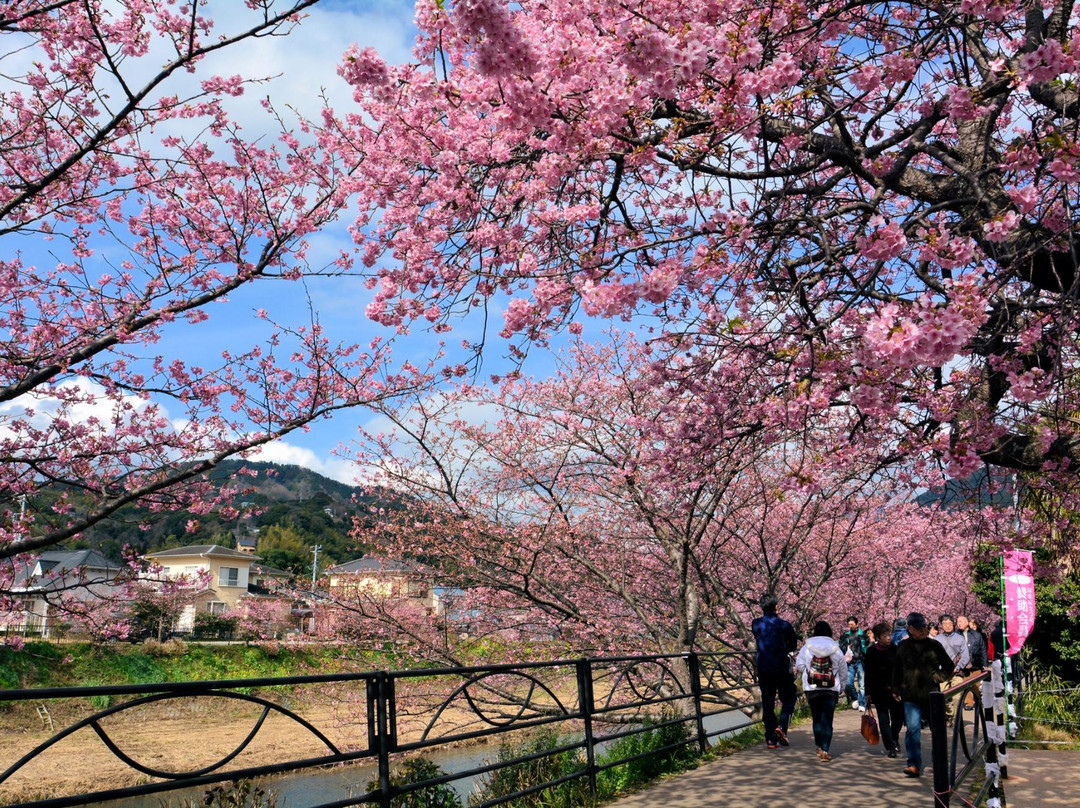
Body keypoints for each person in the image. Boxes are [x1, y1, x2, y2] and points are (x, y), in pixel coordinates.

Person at [893, 611, 955, 777]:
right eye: (919, 628)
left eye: (925, 627)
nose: (923, 630)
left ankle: (939, 761)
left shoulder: (934, 645)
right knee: (913, 729)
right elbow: (897, 668)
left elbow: (949, 666)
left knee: (937, 729)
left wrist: (937, 677)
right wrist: (896, 688)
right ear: (910, 629)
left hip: (931, 694)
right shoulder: (903, 646)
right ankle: (913, 764)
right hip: (910, 694)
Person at [796, 620, 848, 762]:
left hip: (812, 688)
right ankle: (825, 750)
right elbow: (843, 669)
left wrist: (809, 671)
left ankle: (819, 745)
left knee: (817, 718)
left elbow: (799, 665)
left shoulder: (807, 647)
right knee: (827, 719)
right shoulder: (836, 648)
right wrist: (842, 686)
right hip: (831, 688)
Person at [752, 592, 798, 750]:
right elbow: (793, 644)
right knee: (789, 697)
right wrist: (783, 648)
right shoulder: (785, 625)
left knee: (768, 702)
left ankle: (771, 739)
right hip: (781, 667)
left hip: (764, 667)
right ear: (776, 606)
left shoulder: (756, 624)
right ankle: (782, 726)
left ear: (761, 607)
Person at [864, 620, 904, 758]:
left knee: (898, 718)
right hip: (878, 690)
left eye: (889, 635)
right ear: (878, 637)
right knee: (883, 720)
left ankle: (894, 737)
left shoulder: (895, 649)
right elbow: (868, 673)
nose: (888, 638)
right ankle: (890, 746)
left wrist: (900, 686)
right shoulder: (871, 652)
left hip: (895, 690)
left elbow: (900, 670)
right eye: (885, 636)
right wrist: (868, 692)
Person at [934, 614, 971, 720]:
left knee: (957, 696)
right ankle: (949, 714)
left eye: (949, 623)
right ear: (941, 625)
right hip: (942, 672)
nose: (947, 626)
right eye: (944, 624)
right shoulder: (937, 639)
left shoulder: (960, 638)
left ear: (953, 624)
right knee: (942, 695)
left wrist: (958, 667)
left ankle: (956, 718)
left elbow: (965, 656)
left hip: (957, 671)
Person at [839, 616, 869, 710]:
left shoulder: (863, 635)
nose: (850, 626)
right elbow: (841, 646)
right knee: (848, 683)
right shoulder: (845, 636)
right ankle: (855, 698)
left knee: (862, 684)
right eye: (849, 624)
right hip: (850, 662)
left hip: (860, 661)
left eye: (852, 624)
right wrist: (847, 647)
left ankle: (862, 704)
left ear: (857, 624)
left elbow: (867, 646)